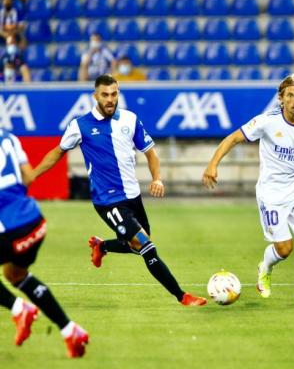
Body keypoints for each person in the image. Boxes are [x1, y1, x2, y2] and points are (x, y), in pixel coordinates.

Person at [33, 75, 207, 307]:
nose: (110, 99)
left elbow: (150, 153)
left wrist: (158, 178)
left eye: (114, 94)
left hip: (132, 197)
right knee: (147, 247)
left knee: (134, 246)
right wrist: (32, 176)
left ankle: (102, 245)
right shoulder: (80, 125)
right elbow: (57, 152)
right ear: (95, 96)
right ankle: (182, 296)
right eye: (105, 95)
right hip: (107, 201)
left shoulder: (130, 119)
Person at [203, 74, 294, 305]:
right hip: (271, 194)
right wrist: (213, 164)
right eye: (290, 95)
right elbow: (233, 138)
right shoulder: (267, 121)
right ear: (281, 98)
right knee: (284, 249)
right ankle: (265, 266)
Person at [0, 129, 89, 358]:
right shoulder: (8, 137)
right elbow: (28, 178)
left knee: (14, 277)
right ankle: (71, 331)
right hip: (34, 222)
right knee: (15, 275)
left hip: (9, 228)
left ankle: (20, 309)